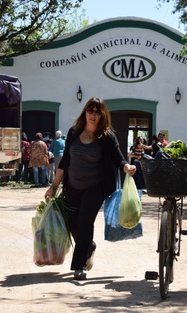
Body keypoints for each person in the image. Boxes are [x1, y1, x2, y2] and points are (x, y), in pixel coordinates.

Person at [44, 97, 136, 280]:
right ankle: (89, 247)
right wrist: (54, 185)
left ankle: (79, 266)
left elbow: (118, 157)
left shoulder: (107, 136)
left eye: (97, 112)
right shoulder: (74, 132)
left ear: (102, 115)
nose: (93, 115)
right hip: (72, 185)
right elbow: (65, 161)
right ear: (85, 112)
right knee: (72, 223)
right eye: (90, 111)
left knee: (85, 222)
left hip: (95, 187)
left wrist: (127, 167)